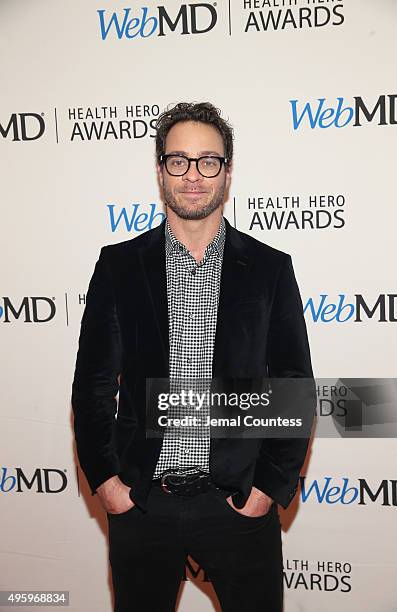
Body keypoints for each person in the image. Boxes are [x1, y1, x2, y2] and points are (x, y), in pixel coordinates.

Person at [71, 101, 315, 612]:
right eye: (178, 160)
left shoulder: (270, 269)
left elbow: (293, 385)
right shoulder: (118, 266)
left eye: (209, 161)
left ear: (227, 171)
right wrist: (110, 484)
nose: (193, 176)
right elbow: (93, 385)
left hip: (237, 504)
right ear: (160, 171)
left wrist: (267, 489)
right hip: (143, 503)